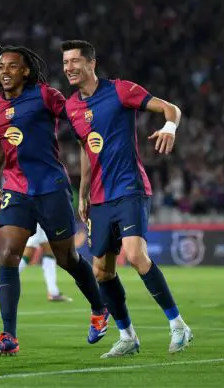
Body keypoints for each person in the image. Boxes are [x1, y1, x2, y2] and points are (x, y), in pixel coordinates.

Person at [61, 40, 192, 358]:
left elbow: (170, 108)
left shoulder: (120, 90)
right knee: (102, 271)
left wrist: (170, 127)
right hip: (99, 198)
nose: (69, 68)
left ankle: (178, 326)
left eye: (75, 61)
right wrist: (82, 193)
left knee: (135, 255)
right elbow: (85, 148)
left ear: (92, 63)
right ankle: (127, 336)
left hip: (129, 187)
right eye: (65, 63)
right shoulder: (71, 106)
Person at [0, 42, 108, 355]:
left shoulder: (44, 96)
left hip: (51, 186)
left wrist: (91, 145)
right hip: (16, 189)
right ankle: (9, 335)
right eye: (1, 67)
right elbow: (0, 142)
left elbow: (78, 121)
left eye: (12, 66)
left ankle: (99, 308)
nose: (5, 72)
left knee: (67, 258)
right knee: (10, 252)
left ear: (25, 70)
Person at [0, 223, 73, 302]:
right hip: (38, 217)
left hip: (36, 217)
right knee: (29, 252)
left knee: (47, 251)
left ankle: (53, 292)